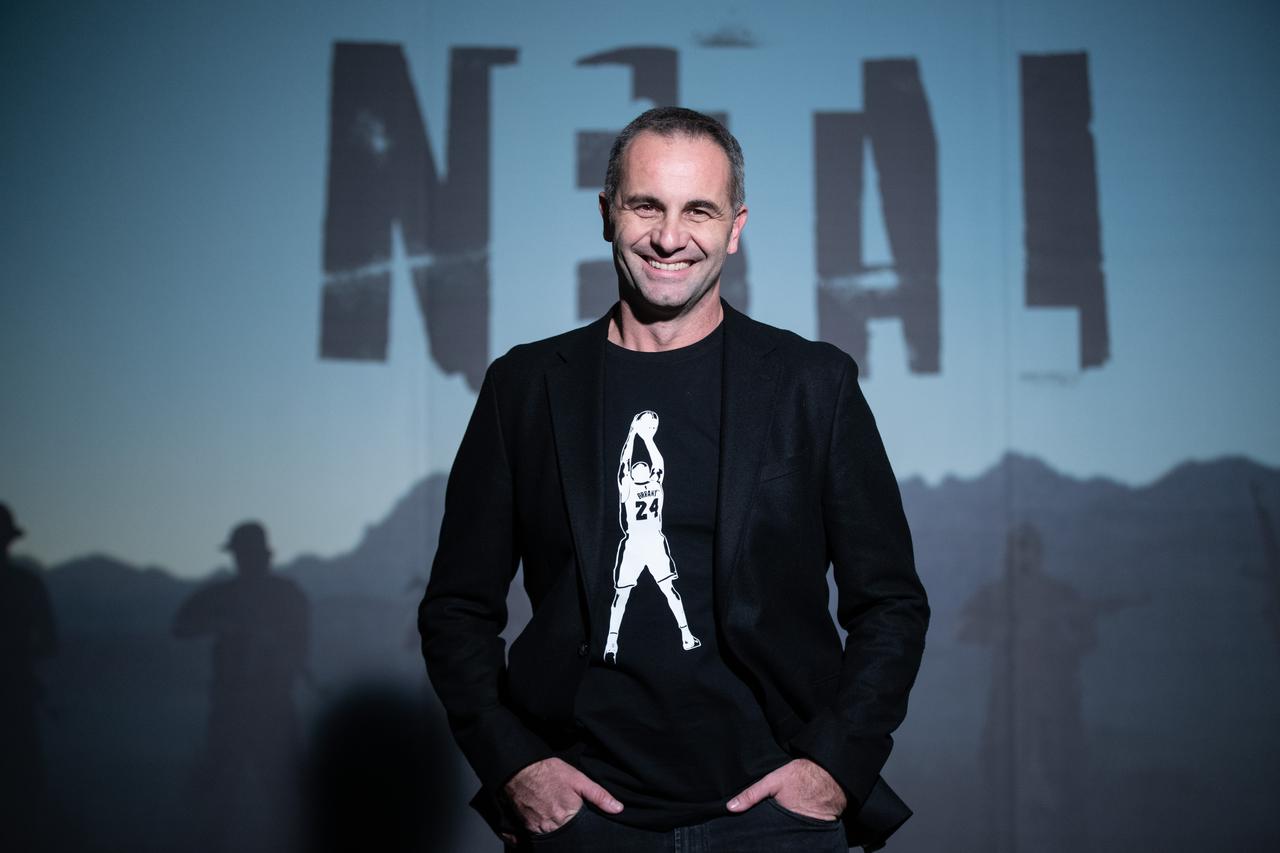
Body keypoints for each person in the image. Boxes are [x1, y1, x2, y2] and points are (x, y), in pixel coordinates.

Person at [419, 107, 928, 852]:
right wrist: (515, 765)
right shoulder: (524, 386)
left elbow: (890, 602)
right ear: (607, 213)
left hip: (774, 819)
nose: (668, 236)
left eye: (699, 210)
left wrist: (832, 768)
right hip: (582, 823)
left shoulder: (811, 384)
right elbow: (457, 606)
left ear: (735, 228)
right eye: (646, 206)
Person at [172, 521, 310, 853]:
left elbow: (299, 649)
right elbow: (180, 625)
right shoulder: (226, 595)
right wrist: (223, 625)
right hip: (233, 708)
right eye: (240, 555)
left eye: (245, 555)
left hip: (269, 709)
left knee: (286, 798)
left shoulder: (286, 596)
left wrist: (272, 649)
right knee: (219, 800)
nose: (242, 561)